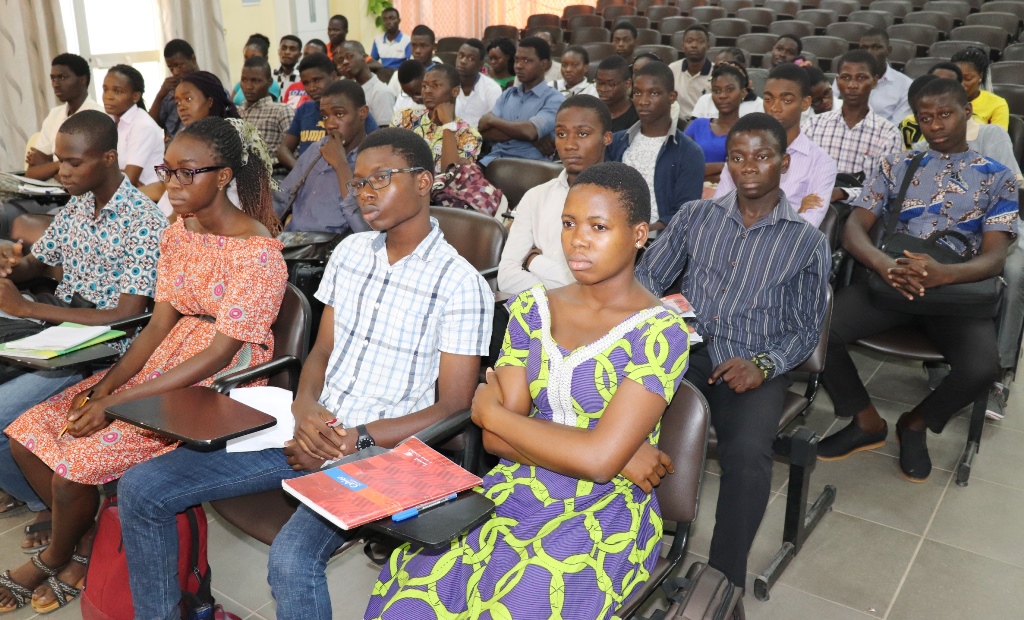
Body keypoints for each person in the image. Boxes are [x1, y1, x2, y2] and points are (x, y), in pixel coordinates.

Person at [116, 127, 492, 620]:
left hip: (379, 449)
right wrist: (305, 406)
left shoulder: (461, 285)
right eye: (358, 183)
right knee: (142, 488)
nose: (367, 192)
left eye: (382, 178)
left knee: (291, 561)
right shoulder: (351, 254)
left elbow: (453, 407)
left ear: (424, 182)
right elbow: (321, 351)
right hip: (309, 427)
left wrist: (352, 439)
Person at [366, 161, 689, 620]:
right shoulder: (532, 308)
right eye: (568, 223)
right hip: (517, 487)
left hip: (605, 511)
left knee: (522, 601)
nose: (577, 239)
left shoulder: (660, 332)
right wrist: (608, 454)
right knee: (413, 586)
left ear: (639, 234)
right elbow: (500, 446)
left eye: (598, 226)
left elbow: (586, 460)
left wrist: (496, 415)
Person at [0, 116, 286, 614]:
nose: (171, 186)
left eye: (186, 173)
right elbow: (157, 327)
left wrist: (118, 403)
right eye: (167, 170)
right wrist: (104, 387)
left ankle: (59, 553)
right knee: (29, 433)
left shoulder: (257, 255)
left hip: (213, 383)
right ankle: (87, 537)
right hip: (166, 358)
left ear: (222, 176)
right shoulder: (180, 233)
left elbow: (218, 354)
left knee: (74, 466)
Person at [635, 113, 830, 589]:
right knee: (630, 421)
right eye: (738, 157)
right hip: (687, 350)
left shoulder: (806, 241)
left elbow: (806, 327)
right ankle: (631, 547)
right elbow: (646, 280)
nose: (748, 167)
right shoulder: (695, 216)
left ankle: (721, 584)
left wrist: (765, 365)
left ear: (783, 163)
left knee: (746, 453)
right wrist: (663, 320)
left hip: (752, 362)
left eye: (762, 157)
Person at [816, 78, 1018, 481]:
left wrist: (945, 274)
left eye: (945, 114)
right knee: (818, 330)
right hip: (891, 282)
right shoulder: (898, 164)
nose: (936, 125)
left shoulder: (997, 176)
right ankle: (865, 420)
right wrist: (882, 264)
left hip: (956, 291)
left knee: (982, 369)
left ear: (967, 112)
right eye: (926, 118)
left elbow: (995, 257)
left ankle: (916, 423)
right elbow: (856, 226)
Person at [0, 110, 166, 551]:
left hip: (105, 351)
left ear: (110, 158)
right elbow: (43, 259)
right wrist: (16, 266)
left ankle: (58, 511)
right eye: (59, 161)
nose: (63, 172)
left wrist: (21, 306)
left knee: (1, 414)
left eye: (74, 162)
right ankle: (39, 498)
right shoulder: (77, 204)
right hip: (63, 330)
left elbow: (124, 316)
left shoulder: (143, 222)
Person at [498, 95, 612, 295]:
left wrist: (533, 261)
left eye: (583, 134)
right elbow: (506, 278)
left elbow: (595, 286)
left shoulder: (616, 200)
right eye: (561, 134)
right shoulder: (536, 197)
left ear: (607, 138)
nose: (569, 145)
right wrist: (563, 294)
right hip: (535, 316)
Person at [716, 64, 837, 228]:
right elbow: (718, 211)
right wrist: (796, 214)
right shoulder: (744, 152)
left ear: (805, 103)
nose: (774, 107)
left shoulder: (821, 162)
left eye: (786, 100)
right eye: (768, 99)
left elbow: (807, 229)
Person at [608, 61, 706, 231]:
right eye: (637, 93)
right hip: (613, 235)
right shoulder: (617, 143)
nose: (643, 101)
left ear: (672, 97)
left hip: (660, 242)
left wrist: (641, 233)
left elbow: (685, 213)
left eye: (653, 93)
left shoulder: (689, 152)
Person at [273, 80, 372, 236]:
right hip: (294, 243)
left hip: (333, 249)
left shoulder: (372, 158)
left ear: (362, 113)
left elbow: (363, 229)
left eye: (339, 114)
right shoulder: (316, 149)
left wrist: (341, 165)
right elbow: (282, 197)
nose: (330, 124)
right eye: (325, 116)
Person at [802, 50, 903, 203]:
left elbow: (884, 188)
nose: (852, 85)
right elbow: (798, 176)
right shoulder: (812, 126)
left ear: (874, 81)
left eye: (861, 78)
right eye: (846, 78)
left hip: (861, 214)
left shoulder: (888, 134)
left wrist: (843, 193)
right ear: (837, 81)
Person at [155, 71, 242, 216]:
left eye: (188, 99)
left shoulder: (231, 136)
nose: (181, 107)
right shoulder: (184, 134)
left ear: (210, 101)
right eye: (178, 102)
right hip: (180, 200)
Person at [278, 53, 380, 170]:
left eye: (316, 80)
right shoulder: (304, 109)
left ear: (333, 76)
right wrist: (301, 173)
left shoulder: (352, 109)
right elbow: (284, 149)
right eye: (306, 83)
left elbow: (378, 145)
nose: (312, 87)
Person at [478, 38, 565, 165]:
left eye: (526, 60)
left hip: (530, 167)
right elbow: (484, 131)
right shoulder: (508, 94)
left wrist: (492, 120)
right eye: (516, 60)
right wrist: (529, 137)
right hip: (494, 162)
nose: (518, 65)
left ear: (544, 64)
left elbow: (530, 131)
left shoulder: (554, 99)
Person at [23, 54, 104, 182]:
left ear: (83, 80)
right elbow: (31, 173)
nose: (56, 84)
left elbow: (83, 179)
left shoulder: (97, 115)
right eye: (53, 79)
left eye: (62, 77)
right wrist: (61, 165)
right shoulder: (54, 115)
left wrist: (49, 164)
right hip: (50, 195)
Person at [395, 64, 481, 173]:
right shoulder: (404, 118)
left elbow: (451, 174)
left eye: (435, 85)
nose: (427, 91)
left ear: (455, 91)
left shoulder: (469, 135)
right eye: (424, 86)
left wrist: (448, 124)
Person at [828, 29, 912, 126]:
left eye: (876, 47)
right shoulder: (846, 77)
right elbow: (831, 108)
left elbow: (898, 126)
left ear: (888, 51)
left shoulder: (905, 85)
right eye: (864, 48)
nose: (869, 53)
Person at [100, 64, 164, 186]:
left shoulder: (143, 126)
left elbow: (129, 179)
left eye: (117, 91)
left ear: (135, 97)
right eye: (105, 89)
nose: (108, 96)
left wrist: (98, 171)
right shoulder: (108, 121)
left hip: (145, 197)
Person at [686, 63, 746, 182]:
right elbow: (681, 166)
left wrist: (701, 172)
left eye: (729, 89)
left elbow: (741, 173)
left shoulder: (748, 131)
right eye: (716, 90)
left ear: (743, 93)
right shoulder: (697, 125)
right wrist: (725, 165)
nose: (722, 96)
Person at [238, 56, 296, 166]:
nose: (248, 86)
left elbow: (293, 153)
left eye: (255, 81)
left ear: (269, 82)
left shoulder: (281, 111)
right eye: (244, 80)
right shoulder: (237, 112)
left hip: (273, 174)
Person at [898, 62, 962, 148]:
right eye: (922, 116)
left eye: (943, 114)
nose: (934, 125)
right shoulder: (907, 124)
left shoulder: (967, 128)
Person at [690, 50, 764, 119]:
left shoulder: (758, 105)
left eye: (730, 89)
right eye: (718, 66)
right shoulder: (705, 100)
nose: (723, 70)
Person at [149, 39, 200, 139]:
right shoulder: (169, 93)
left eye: (179, 66)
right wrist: (160, 96)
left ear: (192, 59)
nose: (175, 72)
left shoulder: (210, 88)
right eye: (171, 68)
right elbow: (150, 125)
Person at [338, 40, 396, 126]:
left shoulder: (381, 92)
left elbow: (385, 132)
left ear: (365, 57)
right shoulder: (349, 91)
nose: (345, 62)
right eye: (341, 60)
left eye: (349, 56)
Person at [952, 46, 1010, 130]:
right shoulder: (941, 100)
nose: (961, 84)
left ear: (980, 76)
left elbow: (998, 139)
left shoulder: (997, 104)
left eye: (968, 79)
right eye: (957, 78)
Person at [455, 39, 503, 128]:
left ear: (480, 65)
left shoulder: (492, 89)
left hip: (481, 138)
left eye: (470, 58)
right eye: (461, 56)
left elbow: (495, 122)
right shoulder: (447, 84)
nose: (463, 61)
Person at [668, 25, 713, 119]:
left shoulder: (717, 72)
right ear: (683, 46)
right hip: (678, 123)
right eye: (689, 41)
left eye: (700, 42)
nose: (694, 45)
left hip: (705, 123)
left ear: (708, 46)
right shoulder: (672, 69)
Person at [387, 25, 443, 98]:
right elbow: (389, 101)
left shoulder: (442, 75)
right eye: (414, 45)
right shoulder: (399, 75)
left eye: (423, 46)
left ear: (434, 47)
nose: (417, 51)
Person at [231, 34, 282, 106]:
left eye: (254, 57)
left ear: (265, 58)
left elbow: (258, 106)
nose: (249, 60)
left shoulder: (271, 85)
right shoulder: (239, 84)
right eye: (246, 57)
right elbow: (230, 105)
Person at [596, 55, 639, 134]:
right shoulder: (591, 112)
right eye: (599, 83)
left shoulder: (638, 117)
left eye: (610, 84)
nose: (602, 89)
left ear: (627, 83)